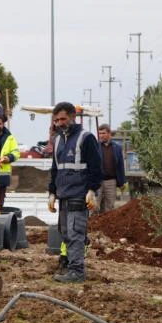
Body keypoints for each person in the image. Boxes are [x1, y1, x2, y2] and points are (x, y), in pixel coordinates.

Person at [48, 102, 102, 283]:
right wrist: (52, 192)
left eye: (63, 119)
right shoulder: (57, 140)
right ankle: (70, 267)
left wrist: (92, 190)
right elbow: (55, 169)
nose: (59, 123)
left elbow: (96, 167)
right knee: (65, 233)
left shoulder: (86, 138)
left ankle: (77, 271)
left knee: (75, 233)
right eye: (56, 120)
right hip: (63, 195)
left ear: (73, 117)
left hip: (79, 194)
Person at [96, 124, 126, 214]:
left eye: (103, 133)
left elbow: (120, 165)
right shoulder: (95, 146)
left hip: (111, 181)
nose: (101, 135)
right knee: (94, 206)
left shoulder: (117, 148)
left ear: (109, 133)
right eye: (100, 133)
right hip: (97, 181)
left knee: (109, 207)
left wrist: (122, 182)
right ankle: (92, 227)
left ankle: (105, 228)